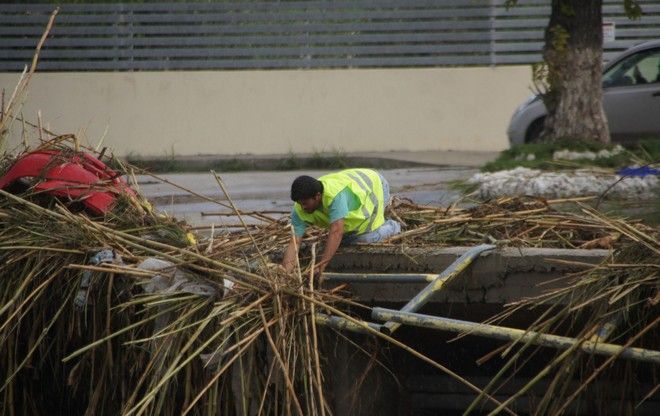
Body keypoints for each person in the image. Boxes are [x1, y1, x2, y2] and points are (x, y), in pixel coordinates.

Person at [282, 168, 401, 276]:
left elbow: (336, 232)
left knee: (362, 239)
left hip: (375, 187)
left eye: (305, 203)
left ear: (317, 196)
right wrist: (286, 274)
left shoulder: (335, 197)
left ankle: (393, 226)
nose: (302, 208)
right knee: (343, 241)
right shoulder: (299, 208)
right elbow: (295, 242)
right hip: (355, 184)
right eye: (299, 203)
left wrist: (322, 265)